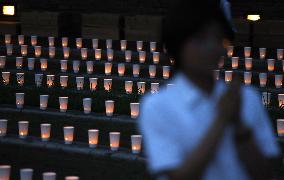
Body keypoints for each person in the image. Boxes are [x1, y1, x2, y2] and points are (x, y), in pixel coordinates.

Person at [139, 0, 281, 179]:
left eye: (218, 39)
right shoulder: (158, 105)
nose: (212, 48)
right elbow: (179, 175)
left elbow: (265, 173)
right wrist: (222, 119)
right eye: (200, 39)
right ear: (177, 45)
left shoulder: (246, 97)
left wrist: (239, 125)